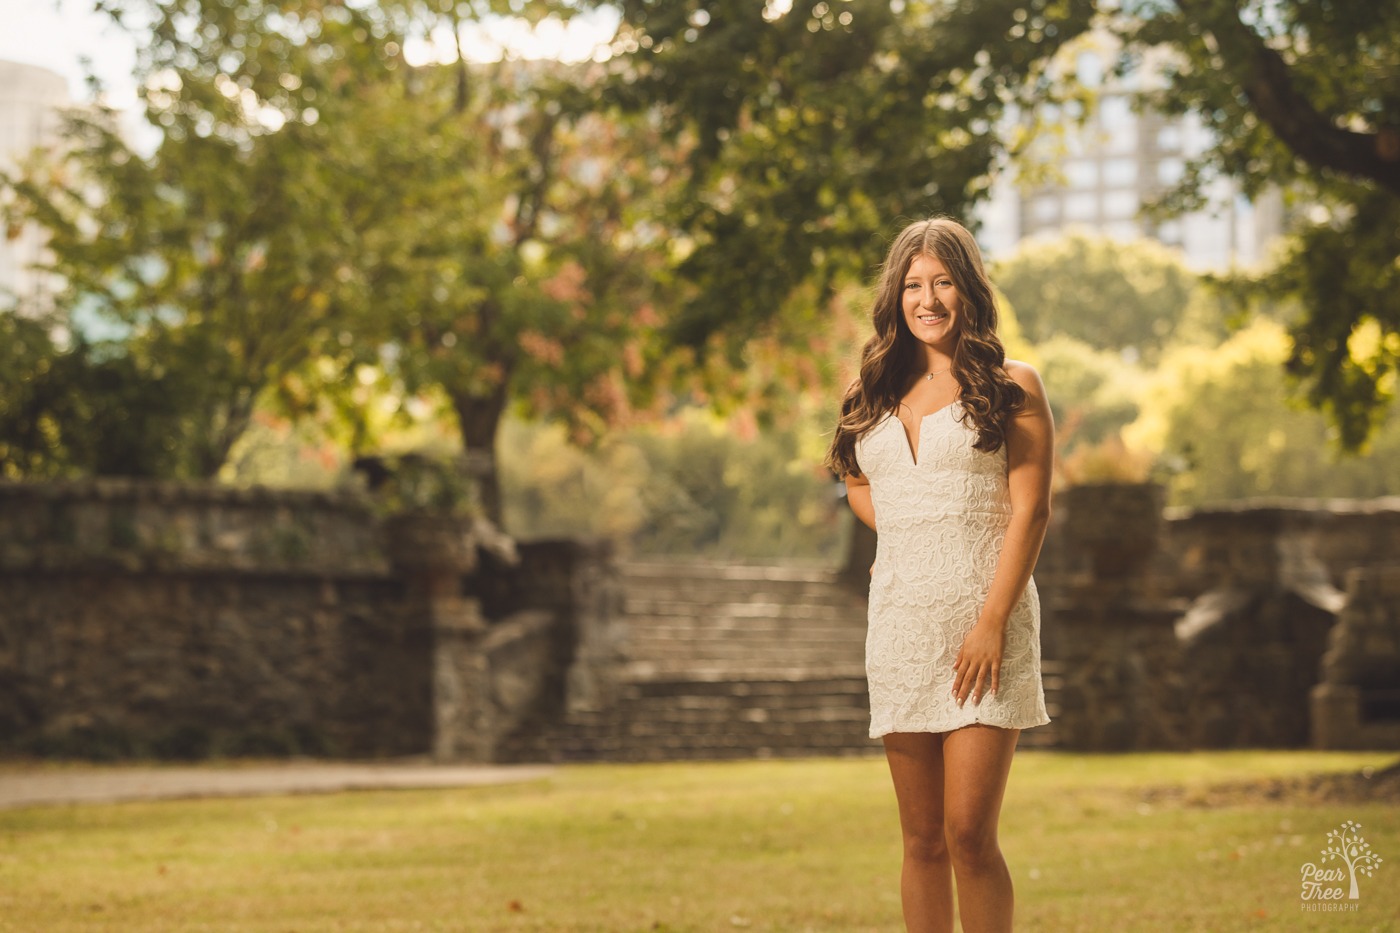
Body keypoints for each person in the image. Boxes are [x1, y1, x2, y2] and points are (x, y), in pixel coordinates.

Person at [824, 217, 1054, 932]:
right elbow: (856, 480)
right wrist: (908, 524)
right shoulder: (871, 392)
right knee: (920, 840)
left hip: (985, 631)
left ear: (970, 289)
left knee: (967, 835)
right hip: (899, 627)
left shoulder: (1014, 384)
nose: (928, 299)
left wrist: (990, 624)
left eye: (943, 282)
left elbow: (1032, 511)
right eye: (914, 285)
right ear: (896, 296)